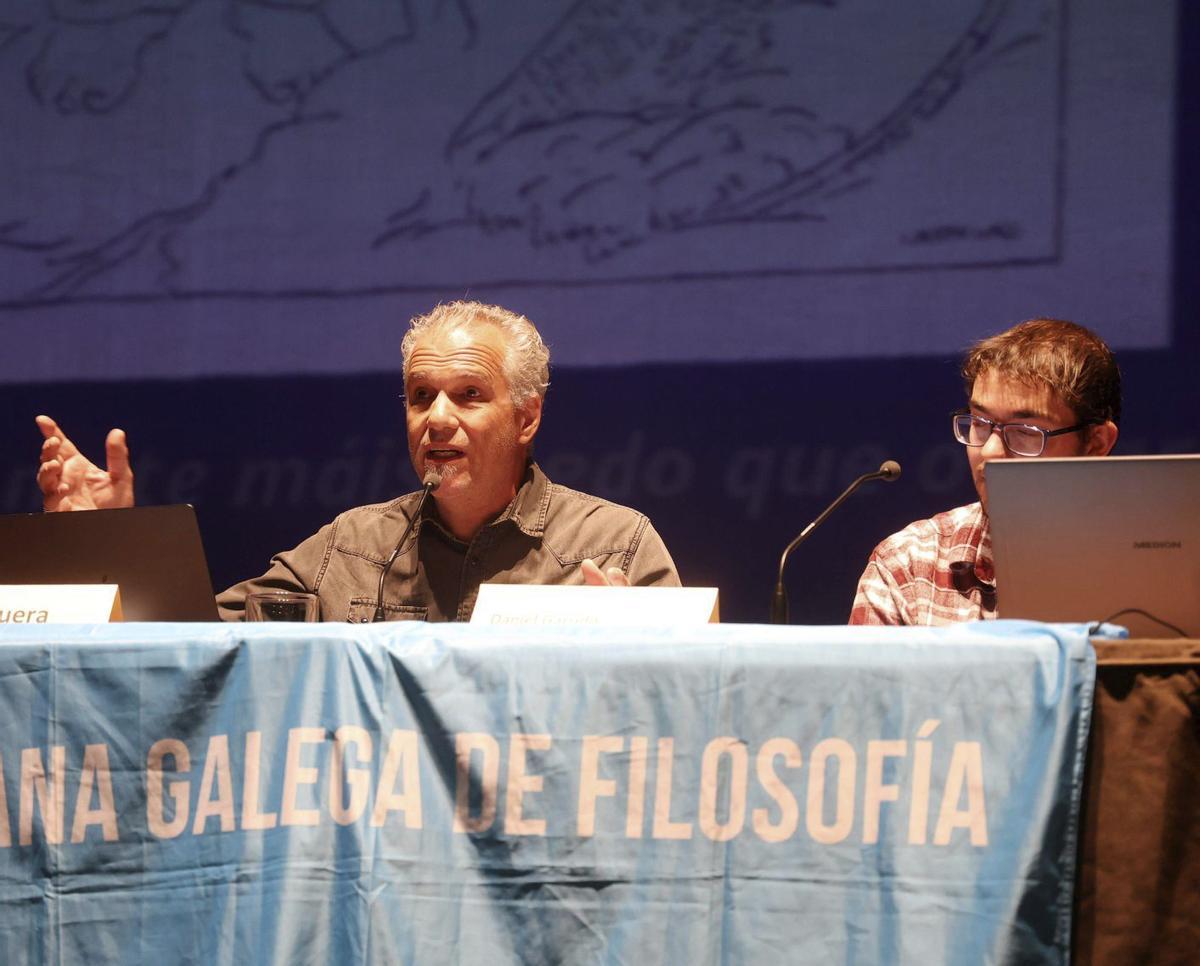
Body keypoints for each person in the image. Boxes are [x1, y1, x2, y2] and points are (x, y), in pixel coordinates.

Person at [36, 300, 680, 621]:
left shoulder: (615, 544)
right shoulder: (351, 546)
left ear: (527, 418)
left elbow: (693, 709)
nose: (437, 418)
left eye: (470, 396)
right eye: (421, 396)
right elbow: (199, 639)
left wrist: (639, 647)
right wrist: (106, 540)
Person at [849, 318, 1120, 626]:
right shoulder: (908, 565)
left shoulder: (1163, 560)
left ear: (1096, 443)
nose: (990, 451)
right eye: (979, 422)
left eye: (1025, 431)